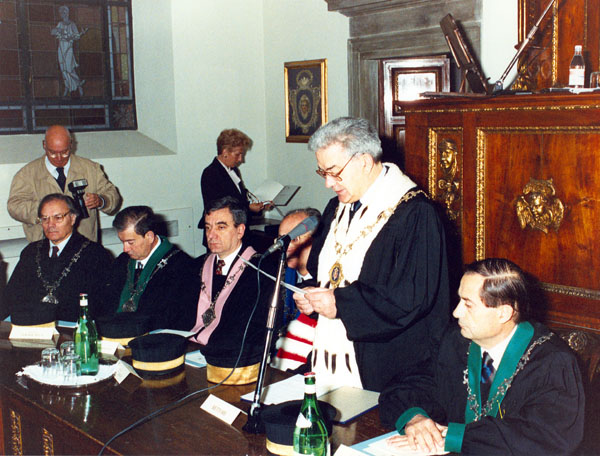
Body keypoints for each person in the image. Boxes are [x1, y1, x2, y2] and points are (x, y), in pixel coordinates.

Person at [293, 117, 450, 392]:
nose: (328, 183)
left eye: (334, 172)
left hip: (389, 367)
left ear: (365, 162)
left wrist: (340, 304)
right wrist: (312, 295)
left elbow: (410, 298)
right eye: (322, 172)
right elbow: (326, 272)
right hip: (331, 352)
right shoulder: (336, 208)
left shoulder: (415, 213)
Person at [379, 258, 585, 455]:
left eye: (468, 304)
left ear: (503, 313)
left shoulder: (553, 363)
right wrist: (415, 417)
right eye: (459, 300)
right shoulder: (456, 341)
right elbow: (410, 384)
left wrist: (458, 438)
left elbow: (543, 439)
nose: (456, 312)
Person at [189, 196, 275, 379]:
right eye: (208, 227)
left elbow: (250, 331)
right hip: (194, 353)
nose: (211, 235)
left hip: (233, 363)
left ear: (240, 230)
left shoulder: (261, 271)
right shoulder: (196, 266)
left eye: (221, 227)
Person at [1, 194, 112, 322]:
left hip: (71, 326)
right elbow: (11, 296)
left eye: (58, 218)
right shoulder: (31, 252)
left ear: (72, 218)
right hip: (30, 325)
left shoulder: (94, 254)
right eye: (45, 219)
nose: (51, 224)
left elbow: (98, 305)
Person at [7, 125, 121, 242]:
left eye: (65, 152)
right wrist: (44, 211)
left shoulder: (91, 168)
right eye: (52, 153)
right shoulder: (27, 174)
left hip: (84, 244)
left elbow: (112, 195)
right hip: (45, 245)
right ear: (44, 145)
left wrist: (101, 200)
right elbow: (14, 206)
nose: (59, 158)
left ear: (71, 145)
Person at [101, 206, 198, 331]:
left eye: (130, 242)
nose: (125, 249)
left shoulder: (182, 267)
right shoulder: (123, 261)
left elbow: (174, 319)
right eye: (122, 242)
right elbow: (106, 303)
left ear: (149, 236)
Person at [198, 128, 272, 242]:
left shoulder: (234, 171)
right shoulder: (210, 173)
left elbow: (238, 200)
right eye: (238, 154)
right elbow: (218, 207)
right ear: (225, 153)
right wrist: (248, 207)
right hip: (220, 234)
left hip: (236, 232)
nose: (241, 159)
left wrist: (260, 207)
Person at [271, 208, 321, 372]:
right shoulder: (279, 275)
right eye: (281, 239)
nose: (285, 246)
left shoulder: (327, 284)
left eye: (294, 239)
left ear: (315, 241)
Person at [51, 5, 87, 96]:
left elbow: (77, 36)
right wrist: (58, 30)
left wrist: (79, 34)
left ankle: (78, 83)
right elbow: (53, 32)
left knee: (68, 68)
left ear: (67, 13)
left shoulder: (72, 24)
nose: (62, 14)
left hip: (68, 47)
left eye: (63, 12)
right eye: (61, 13)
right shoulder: (60, 24)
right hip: (61, 48)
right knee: (63, 68)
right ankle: (67, 86)